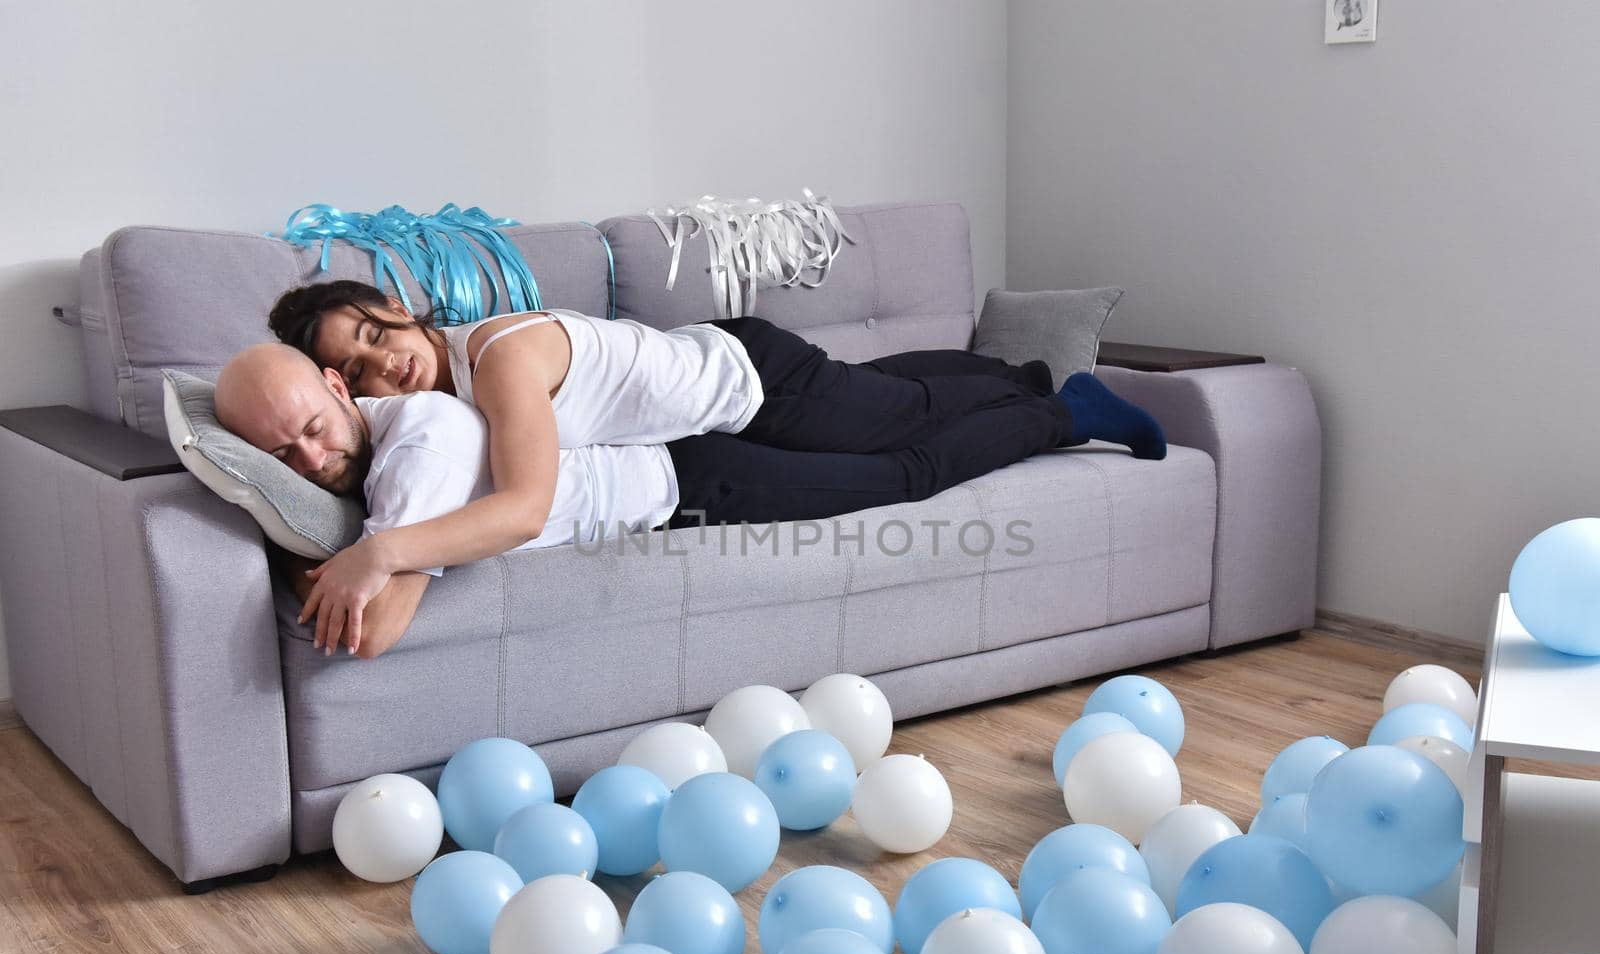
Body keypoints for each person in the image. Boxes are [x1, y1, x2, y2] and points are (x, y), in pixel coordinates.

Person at [246, 282, 1167, 654]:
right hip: (695, 431)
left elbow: (526, 508)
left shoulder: (499, 362)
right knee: (888, 407)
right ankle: (1019, 381)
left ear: (402, 310)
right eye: (358, 369)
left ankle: (1061, 408)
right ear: (346, 390)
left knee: (907, 439)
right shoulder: (433, 410)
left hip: (750, 384)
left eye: (378, 335)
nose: (383, 366)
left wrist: (380, 552)